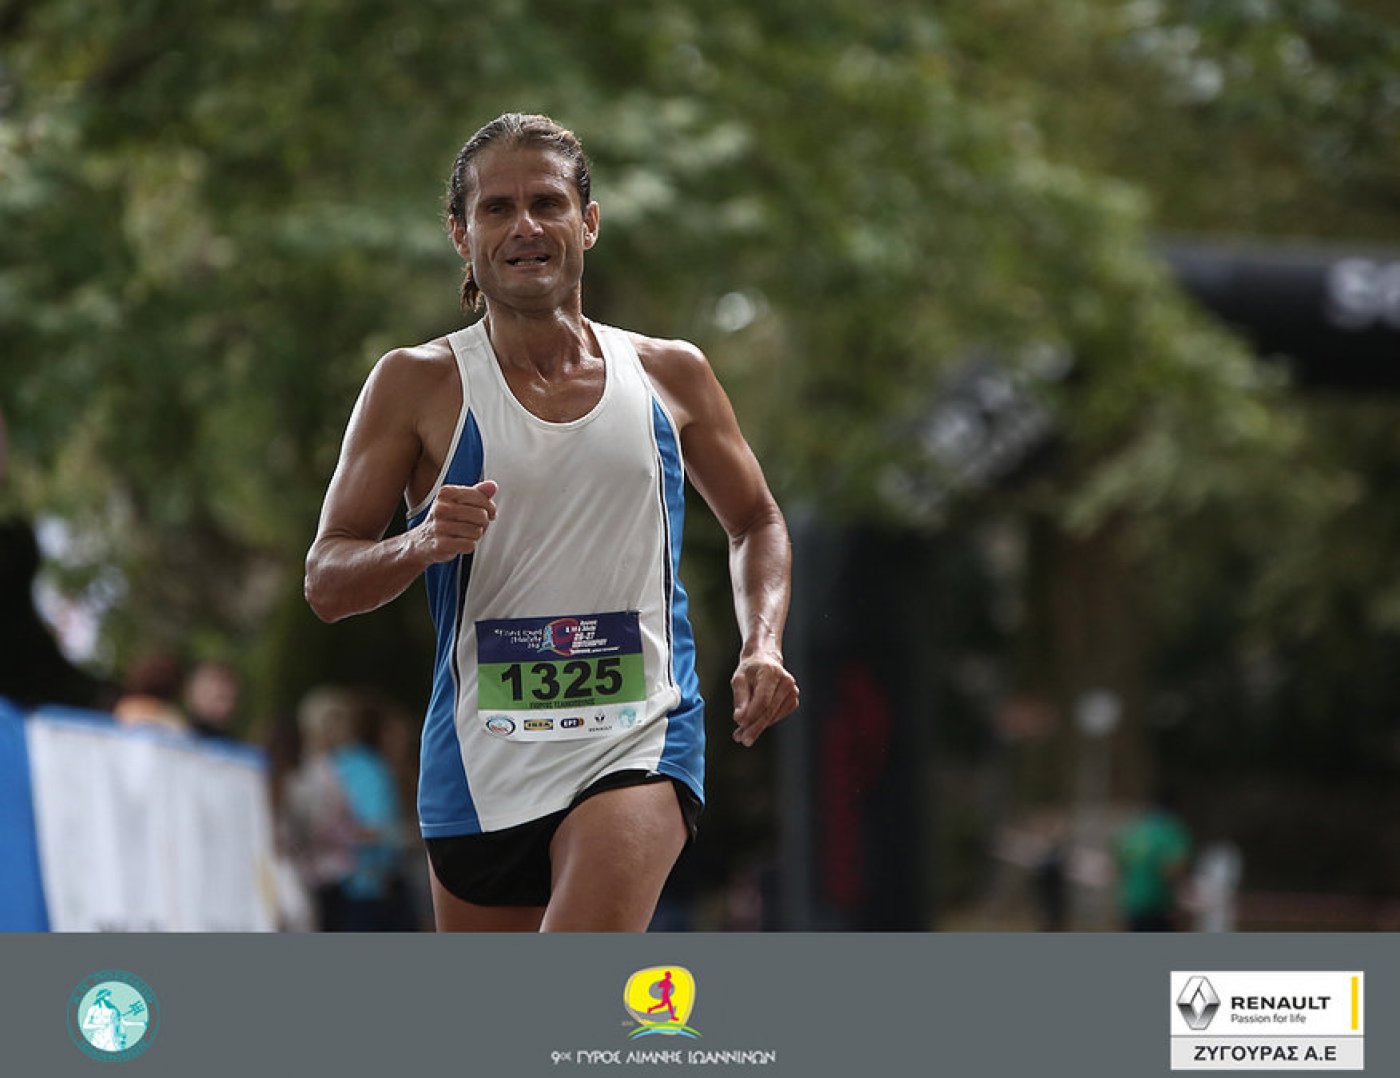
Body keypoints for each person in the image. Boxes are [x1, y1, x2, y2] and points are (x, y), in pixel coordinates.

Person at [304, 112, 799, 932]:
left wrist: (764, 644)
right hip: (479, 761)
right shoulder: (416, 385)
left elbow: (755, 521)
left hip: (638, 737)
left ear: (588, 222)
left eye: (548, 202)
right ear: (461, 235)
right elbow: (326, 581)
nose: (525, 226)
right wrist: (420, 542)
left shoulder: (670, 374)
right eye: (497, 208)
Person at [1116, 788, 1192, 931]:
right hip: (1159, 905)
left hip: (1133, 903)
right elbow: (1173, 869)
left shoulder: (1134, 830)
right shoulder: (1172, 830)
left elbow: (1121, 864)